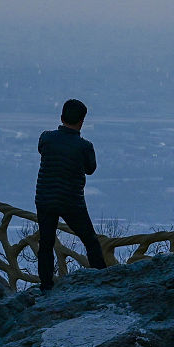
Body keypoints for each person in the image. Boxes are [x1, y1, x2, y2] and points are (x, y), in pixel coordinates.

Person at [35, 98, 107, 290]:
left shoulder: (46, 138)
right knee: (90, 240)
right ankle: (102, 279)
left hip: (45, 197)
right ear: (82, 121)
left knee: (46, 242)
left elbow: (42, 149)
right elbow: (90, 169)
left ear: (61, 117)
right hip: (71, 200)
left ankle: (46, 285)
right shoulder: (84, 146)